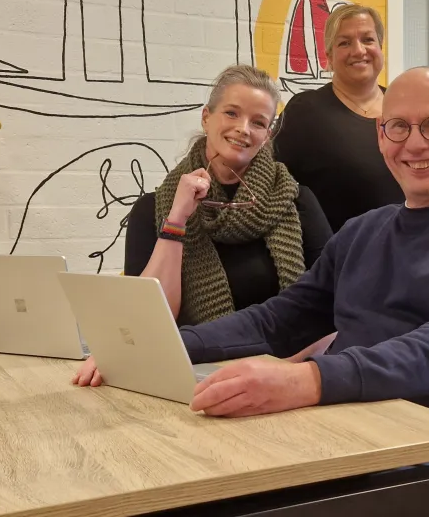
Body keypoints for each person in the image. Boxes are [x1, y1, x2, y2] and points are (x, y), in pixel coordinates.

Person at [75, 66, 429, 496]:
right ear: (380, 136)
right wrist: (160, 345)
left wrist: (307, 380)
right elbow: (279, 320)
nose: (415, 144)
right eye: (398, 127)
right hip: (347, 438)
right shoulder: (363, 231)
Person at [73, 64, 332, 383]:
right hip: (189, 376)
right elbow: (149, 320)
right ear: (206, 117)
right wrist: (176, 221)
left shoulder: (296, 201)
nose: (243, 129)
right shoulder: (152, 209)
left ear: (267, 135)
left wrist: (286, 369)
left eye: (258, 122)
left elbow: (331, 306)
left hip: (283, 375)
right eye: (232, 113)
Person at [274, 3, 405, 234]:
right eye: (345, 43)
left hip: (407, 247)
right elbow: (272, 184)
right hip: (334, 252)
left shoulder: (405, 109)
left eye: (368, 40)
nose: (359, 50)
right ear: (329, 57)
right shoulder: (304, 112)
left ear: (380, 48)